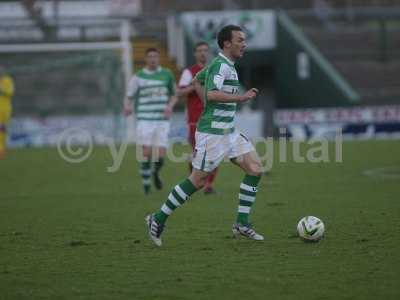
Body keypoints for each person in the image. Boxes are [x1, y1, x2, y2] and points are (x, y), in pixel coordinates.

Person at [146, 25, 264, 246]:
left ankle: (241, 223)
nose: (244, 44)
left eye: (244, 39)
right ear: (227, 43)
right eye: (240, 40)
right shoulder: (221, 66)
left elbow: (197, 81)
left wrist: (206, 100)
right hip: (212, 133)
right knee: (198, 181)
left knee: (255, 169)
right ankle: (157, 218)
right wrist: (241, 97)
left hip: (228, 131)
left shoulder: (220, 64)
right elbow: (210, 93)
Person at [123, 48, 178, 194]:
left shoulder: (167, 74)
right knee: (146, 152)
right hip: (144, 119)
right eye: (150, 57)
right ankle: (146, 186)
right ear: (146, 59)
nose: (153, 59)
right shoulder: (138, 76)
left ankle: (155, 173)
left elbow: (174, 95)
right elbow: (129, 96)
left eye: (155, 56)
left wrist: (170, 106)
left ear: (159, 58)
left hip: (162, 120)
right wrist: (127, 106)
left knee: (161, 154)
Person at [177, 41, 218, 194]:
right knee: (199, 153)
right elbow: (179, 92)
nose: (203, 53)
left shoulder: (214, 71)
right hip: (196, 120)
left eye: (205, 50)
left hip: (214, 118)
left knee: (215, 151)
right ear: (195, 53)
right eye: (200, 50)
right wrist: (195, 85)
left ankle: (208, 185)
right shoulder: (189, 72)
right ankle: (193, 179)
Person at [0, 65, 14, 159]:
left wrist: (1, 89)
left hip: (5, 110)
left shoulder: (8, 80)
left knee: (2, 129)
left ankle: (2, 149)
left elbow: (10, 92)